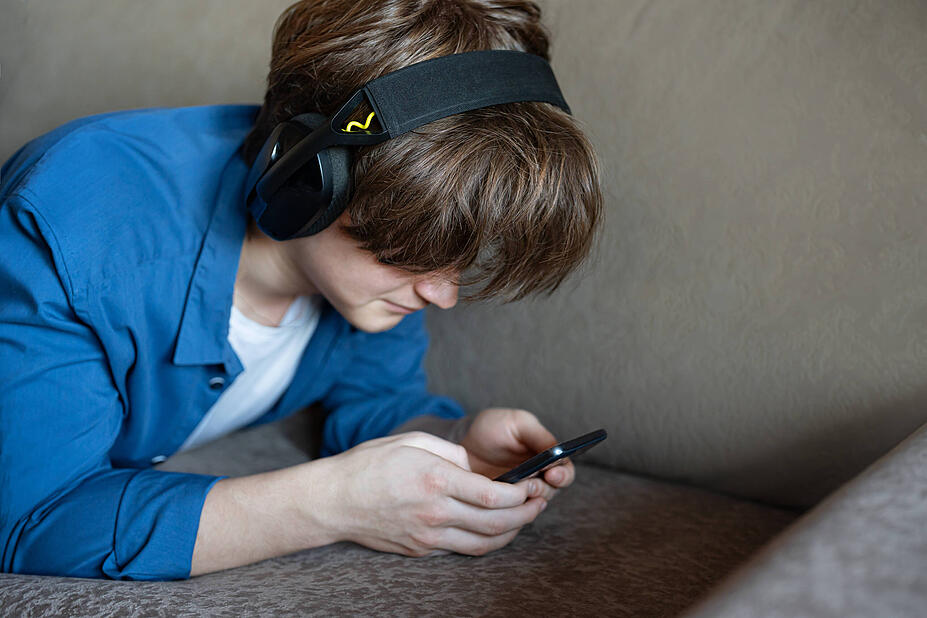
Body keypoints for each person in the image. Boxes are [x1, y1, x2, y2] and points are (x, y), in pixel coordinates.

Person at [0, 0, 602, 580]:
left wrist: (452, 443)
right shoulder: (72, 224)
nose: (442, 297)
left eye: (459, 259)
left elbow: (371, 400)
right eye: (412, 255)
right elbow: (30, 517)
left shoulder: (381, 263)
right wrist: (334, 503)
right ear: (304, 180)